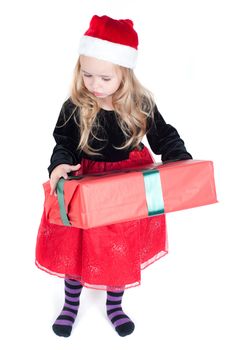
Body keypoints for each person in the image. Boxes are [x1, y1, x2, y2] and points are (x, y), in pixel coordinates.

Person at [35, 14, 192, 338]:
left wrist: (180, 160)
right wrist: (60, 165)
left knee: (120, 246)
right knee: (77, 244)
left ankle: (114, 305)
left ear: (125, 73)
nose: (94, 85)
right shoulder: (75, 106)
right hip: (87, 183)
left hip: (128, 187)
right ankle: (71, 304)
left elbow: (164, 136)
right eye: (87, 74)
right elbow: (64, 143)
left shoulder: (141, 104)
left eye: (105, 78)